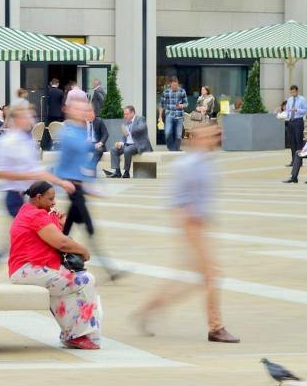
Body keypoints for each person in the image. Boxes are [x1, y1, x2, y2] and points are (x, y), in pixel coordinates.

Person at [135, 124, 239, 343]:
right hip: (190, 226)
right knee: (211, 275)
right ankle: (216, 327)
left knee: (196, 280)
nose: (213, 139)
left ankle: (149, 308)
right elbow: (175, 199)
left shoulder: (208, 164)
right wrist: (188, 221)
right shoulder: (185, 165)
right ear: (197, 139)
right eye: (209, 136)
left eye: (215, 136)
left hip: (202, 226)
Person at [0, 100, 74, 278]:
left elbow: (36, 171)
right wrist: (27, 176)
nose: (30, 119)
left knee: (25, 232)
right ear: (17, 118)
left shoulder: (25, 141)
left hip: (26, 196)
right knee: (33, 231)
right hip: (14, 195)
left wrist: (59, 182)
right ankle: (34, 264)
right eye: (27, 116)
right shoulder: (5, 142)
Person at [9, 181, 101, 349]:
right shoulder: (36, 215)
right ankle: (78, 335)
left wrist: (61, 221)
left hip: (28, 270)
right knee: (86, 279)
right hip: (30, 270)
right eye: (50, 199)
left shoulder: (28, 210)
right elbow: (61, 243)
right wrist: (84, 251)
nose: (54, 202)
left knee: (70, 286)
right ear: (38, 197)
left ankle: (74, 334)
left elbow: (53, 236)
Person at [55, 89, 121, 280]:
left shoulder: (80, 130)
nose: (82, 111)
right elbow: (63, 164)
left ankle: (55, 257)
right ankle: (110, 269)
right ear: (68, 109)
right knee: (89, 229)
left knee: (67, 228)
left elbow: (84, 163)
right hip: (73, 187)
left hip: (79, 187)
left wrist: (92, 183)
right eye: (78, 108)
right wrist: (62, 181)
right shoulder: (69, 133)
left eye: (83, 108)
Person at [103, 105, 153, 178]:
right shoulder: (126, 122)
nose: (125, 115)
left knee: (127, 150)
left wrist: (129, 130)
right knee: (114, 150)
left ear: (132, 113)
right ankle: (117, 172)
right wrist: (121, 143)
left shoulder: (140, 119)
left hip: (138, 144)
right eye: (124, 114)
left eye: (126, 114)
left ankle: (126, 172)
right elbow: (125, 136)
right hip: (128, 144)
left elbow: (142, 128)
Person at [159, 76, 188, 151]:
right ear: (170, 84)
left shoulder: (182, 91)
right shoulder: (166, 92)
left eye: (176, 85)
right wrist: (160, 117)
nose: (175, 87)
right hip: (169, 114)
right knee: (168, 132)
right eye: (173, 85)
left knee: (178, 134)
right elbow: (161, 105)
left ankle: (176, 149)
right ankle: (171, 148)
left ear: (178, 84)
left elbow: (186, 103)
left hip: (179, 115)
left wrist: (182, 105)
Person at [284, 85, 307, 166]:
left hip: (298, 121)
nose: (293, 93)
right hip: (291, 121)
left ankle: (299, 161)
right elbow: (287, 110)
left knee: (298, 141)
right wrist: (285, 115)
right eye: (291, 92)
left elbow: (306, 110)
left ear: (297, 91)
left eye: (294, 92)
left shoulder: (302, 99)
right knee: (292, 142)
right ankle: (293, 160)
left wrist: (297, 110)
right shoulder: (289, 100)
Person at [86, 107, 108, 177]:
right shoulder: (84, 123)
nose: (91, 116)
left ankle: (90, 169)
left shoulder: (99, 121)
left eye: (92, 114)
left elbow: (106, 134)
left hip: (98, 144)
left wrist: (100, 143)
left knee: (99, 150)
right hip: (88, 145)